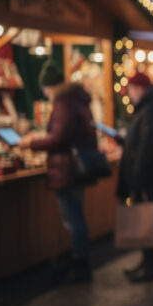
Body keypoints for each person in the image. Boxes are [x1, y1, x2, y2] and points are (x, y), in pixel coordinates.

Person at [19, 60, 97, 284]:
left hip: (67, 168)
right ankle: (78, 260)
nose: (44, 93)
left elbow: (58, 138)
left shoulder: (64, 103)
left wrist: (31, 143)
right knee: (75, 216)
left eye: (45, 88)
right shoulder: (76, 99)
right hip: (74, 167)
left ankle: (79, 264)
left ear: (51, 86)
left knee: (73, 219)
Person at [116, 72, 153, 283]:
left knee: (149, 220)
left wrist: (138, 176)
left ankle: (152, 266)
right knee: (145, 220)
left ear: (139, 89)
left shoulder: (152, 109)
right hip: (147, 175)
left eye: (130, 89)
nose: (129, 94)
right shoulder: (148, 108)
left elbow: (149, 145)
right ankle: (147, 262)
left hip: (149, 177)